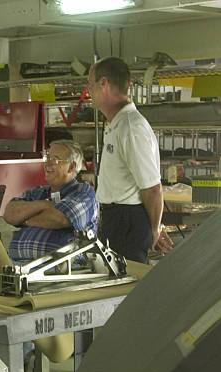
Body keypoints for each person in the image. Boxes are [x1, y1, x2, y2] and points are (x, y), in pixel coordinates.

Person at [87, 56, 172, 263]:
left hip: (127, 221)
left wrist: (154, 230)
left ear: (104, 84)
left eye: (90, 84)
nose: (88, 90)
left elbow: (152, 188)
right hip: (116, 219)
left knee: (125, 289)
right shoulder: (117, 124)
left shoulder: (131, 128)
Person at [2, 140, 98, 263]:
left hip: (62, 273)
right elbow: (9, 214)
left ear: (71, 167)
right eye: (47, 157)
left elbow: (58, 219)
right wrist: (44, 204)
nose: (48, 164)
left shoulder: (84, 192)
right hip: (18, 267)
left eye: (55, 159)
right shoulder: (37, 193)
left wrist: (24, 219)